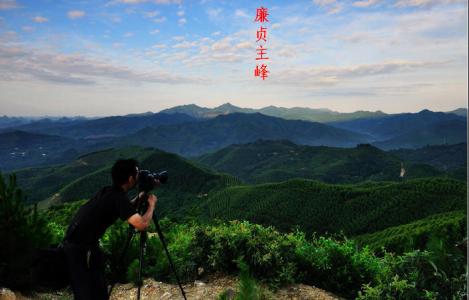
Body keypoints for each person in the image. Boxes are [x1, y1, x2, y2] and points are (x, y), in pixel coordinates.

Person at [63, 159, 157, 300]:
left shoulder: (108, 191)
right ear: (130, 179)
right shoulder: (118, 198)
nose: (138, 177)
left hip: (74, 246)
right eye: (137, 173)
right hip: (82, 251)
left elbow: (125, 208)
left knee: (89, 290)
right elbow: (142, 224)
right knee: (92, 292)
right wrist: (151, 206)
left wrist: (141, 196)